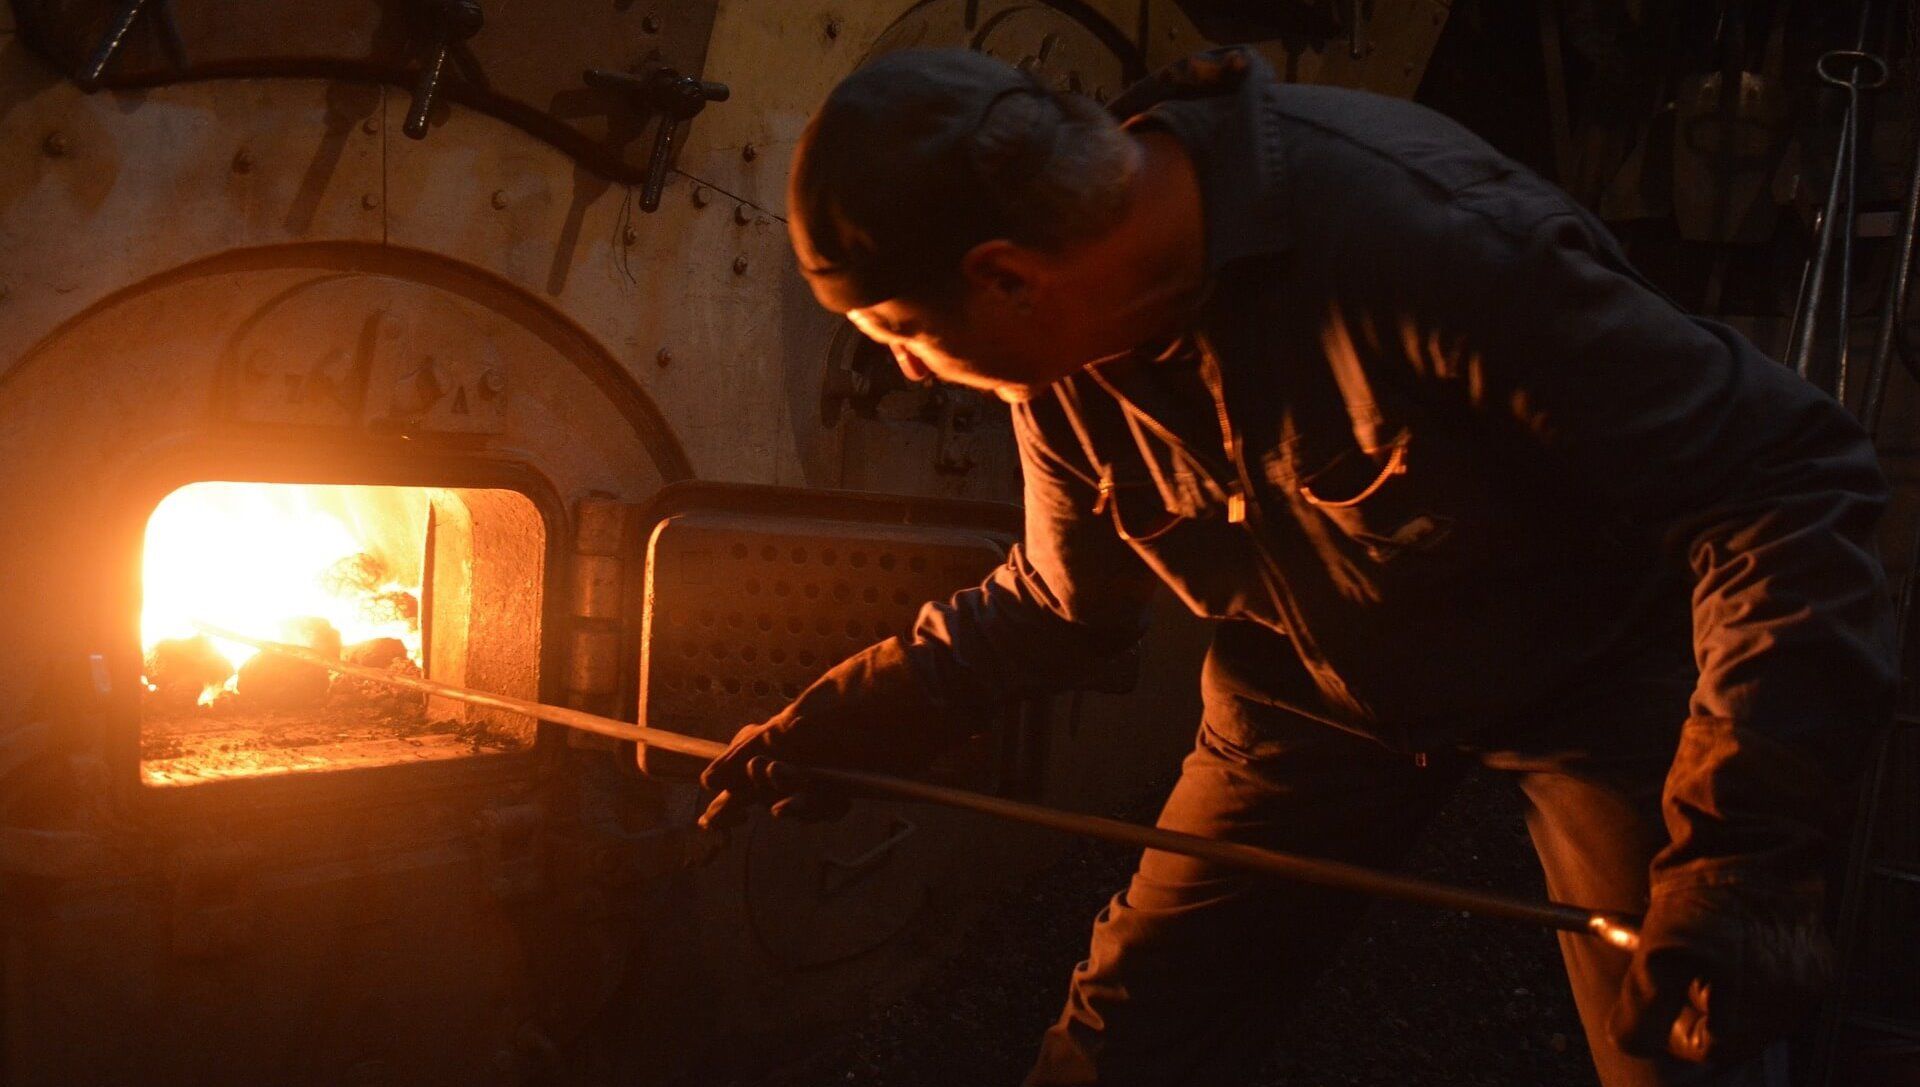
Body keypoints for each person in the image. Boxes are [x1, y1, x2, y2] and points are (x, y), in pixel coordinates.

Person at [697, 45, 1895, 1087]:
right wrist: (853, 722)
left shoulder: (1430, 242)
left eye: (903, 335)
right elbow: (1066, 602)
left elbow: (1788, 482)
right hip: (1307, 694)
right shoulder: (1060, 354)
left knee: (1691, 1032)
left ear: (1008, 274)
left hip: (1584, 664)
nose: (909, 373)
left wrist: (1747, 849)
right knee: (1129, 1039)